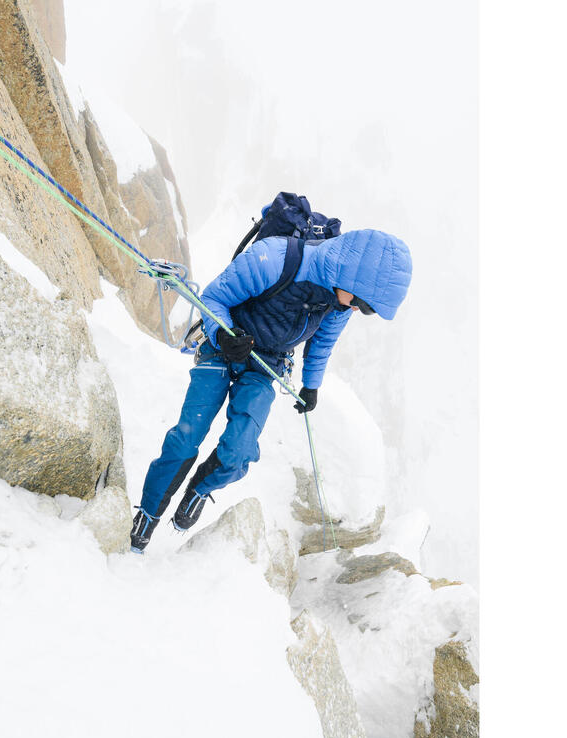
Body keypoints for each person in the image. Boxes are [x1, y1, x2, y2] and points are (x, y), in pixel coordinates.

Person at [129, 227, 412, 553]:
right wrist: (223, 335)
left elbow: (322, 344)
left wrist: (311, 387)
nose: (356, 311)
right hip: (221, 347)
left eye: (365, 309)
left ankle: (199, 489)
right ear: (350, 278)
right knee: (186, 436)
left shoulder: (337, 303)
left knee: (239, 450)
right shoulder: (274, 259)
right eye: (362, 304)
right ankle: (147, 516)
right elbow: (213, 298)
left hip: (266, 366)